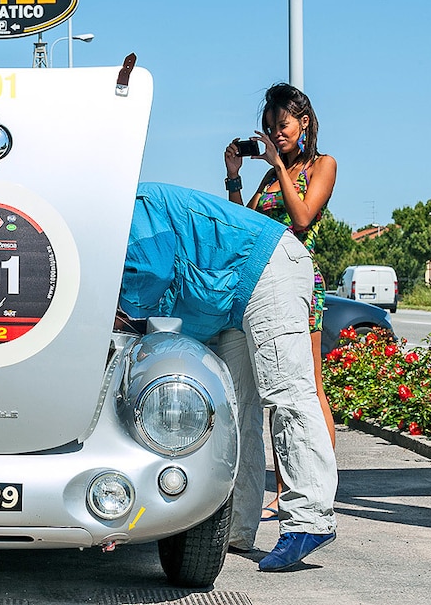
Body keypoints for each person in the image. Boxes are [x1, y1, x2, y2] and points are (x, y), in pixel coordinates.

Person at [119, 181, 337, 572]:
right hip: (234, 298)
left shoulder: (135, 206)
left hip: (268, 269)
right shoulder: (122, 214)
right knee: (235, 414)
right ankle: (236, 528)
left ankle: (310, 520)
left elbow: (148, 275)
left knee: (287, 393)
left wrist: (121, 330)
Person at [223, 83, 338, 522]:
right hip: (264, 286)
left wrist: (279, 168)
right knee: (271, 394)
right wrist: (234, 176)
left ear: (304, 122)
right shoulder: (272, 176)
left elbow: (303, 217)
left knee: (306, 388)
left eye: (283, 125)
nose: (276, 133)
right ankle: (282, 491)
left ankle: (316, 490)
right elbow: (243, 225)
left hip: (301, 283)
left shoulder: (322, 165)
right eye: (270, 127)